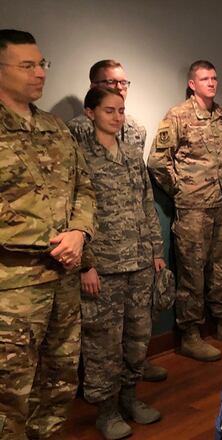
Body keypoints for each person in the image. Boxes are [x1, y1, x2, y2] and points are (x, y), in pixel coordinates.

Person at [0, 29, 96, 439]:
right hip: (14, 289)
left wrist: (78, 232)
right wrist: (54, 240)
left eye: (42, 64)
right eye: (28, 65)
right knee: (9, 393)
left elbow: (84, 188)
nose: (40, 73)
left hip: (64, 280)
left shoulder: (55, 127)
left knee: (58, 382)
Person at [66, 58, 167, 382]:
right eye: (110, 109)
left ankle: (130, 394)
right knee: (102, 343)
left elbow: (146, 203)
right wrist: (86, 263)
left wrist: (155, 251)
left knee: (138, 334)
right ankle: (106, 408)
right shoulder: (78, 148)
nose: (118, 116)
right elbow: (73, 209)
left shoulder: (132, 151)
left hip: (137, 260)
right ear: (91, 109)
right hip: (103, 262)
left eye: (120, 110)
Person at [148, 60, 222, 362]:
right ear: (192, 83)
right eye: (204, 79)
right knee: (192, 273)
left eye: (214, 78)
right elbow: (157, 161)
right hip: (193, 208)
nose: (212, 83)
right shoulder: (178, 115)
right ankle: (190, 333)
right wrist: (180, 189)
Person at [66, 59, 146, 151]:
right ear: (93, 87)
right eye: (111, 82)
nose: (119, 88)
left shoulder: (137, 129)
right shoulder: (76, 130)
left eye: (123, 83)